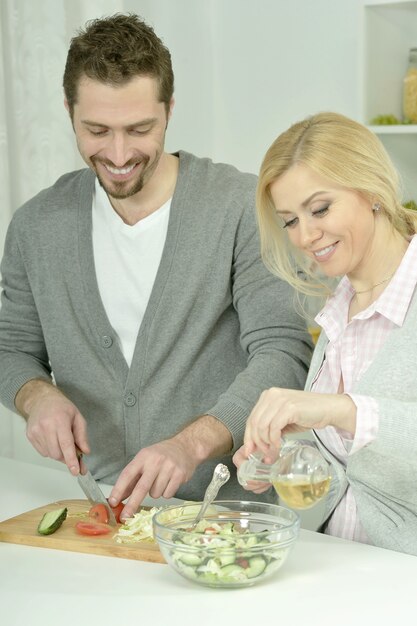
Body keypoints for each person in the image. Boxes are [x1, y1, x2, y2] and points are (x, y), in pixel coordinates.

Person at [0, 14, 312, 520]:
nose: (119, 154)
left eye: (140, 129)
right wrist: (36, 397)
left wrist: (190, 445)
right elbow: (12, 348)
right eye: (96, 130)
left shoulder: (239, 207)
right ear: (68, 111)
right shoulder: (37, 226)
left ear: (169, 109)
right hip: (102, 509)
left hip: (230, 513)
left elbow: (283, 354)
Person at [233, 111, 417, 556]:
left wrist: (339, 409)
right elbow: (351, 473)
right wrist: (279, 461)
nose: (306, 236)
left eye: (320, 209)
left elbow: (355, 420)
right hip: (336, 571)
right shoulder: (337, 312)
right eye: (290, 221)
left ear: (371, 189)